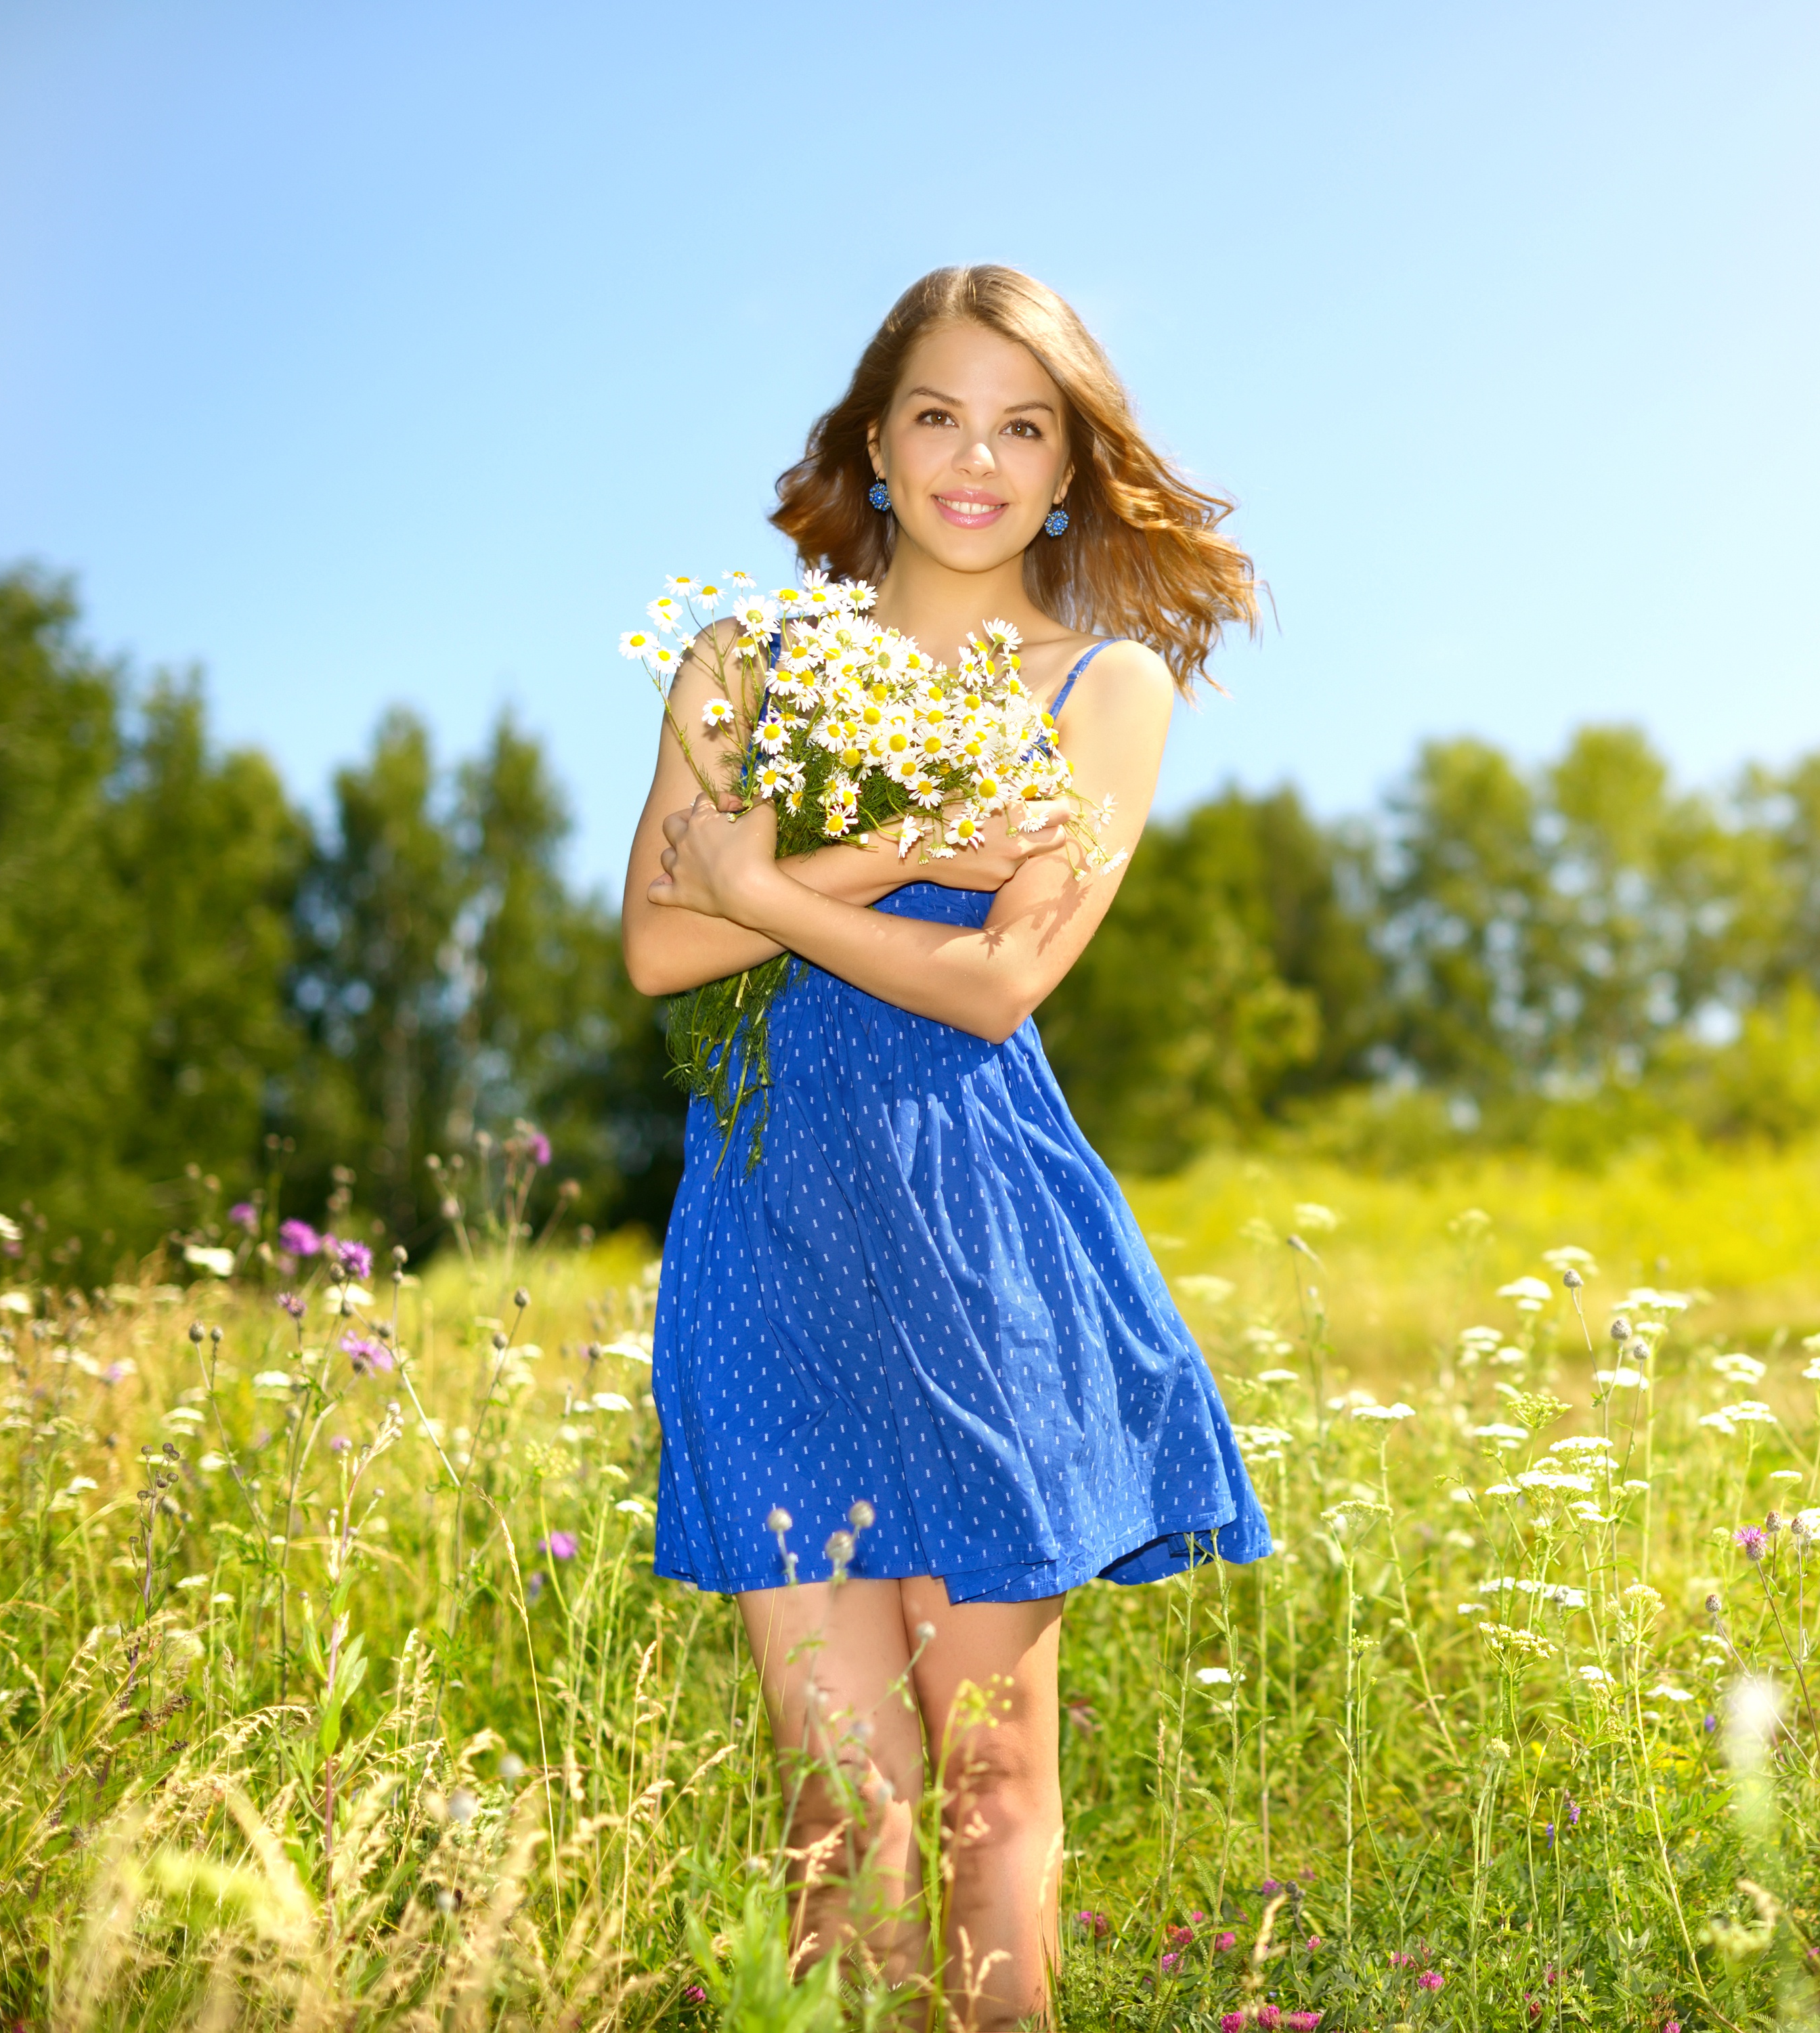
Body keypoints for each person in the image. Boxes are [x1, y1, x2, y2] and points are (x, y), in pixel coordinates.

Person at [621, 264, 1270, 2029]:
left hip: (983, 1247)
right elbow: (665, 946)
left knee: (986, 1796)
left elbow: (996, 985)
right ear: (874, 440)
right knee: (844, 1810)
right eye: (937, 413)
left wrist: (754, 881)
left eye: (1021, 423)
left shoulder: (1103, 688)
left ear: (1067, 466)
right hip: (771, 1245)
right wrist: (849, 856)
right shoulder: (743, 662)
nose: (975, 457)